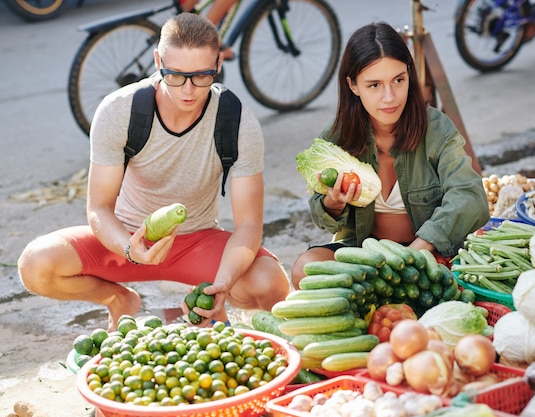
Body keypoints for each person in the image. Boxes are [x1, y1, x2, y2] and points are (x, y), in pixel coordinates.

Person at [17, 13, 290, 331]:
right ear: (158, 60)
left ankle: (201, 296)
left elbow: (248, 226)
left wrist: (221, 285)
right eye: (176, 75)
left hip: (196, 240)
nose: (188, 90)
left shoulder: (237, 120)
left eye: (201, 76)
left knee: (271, 285)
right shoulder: (119, 110)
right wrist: (130, 247)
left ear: (217, 63)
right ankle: (119, 300)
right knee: (36, 264)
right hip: (127, 237)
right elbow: (99, 209)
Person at [290, 22, 490, 289]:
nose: (389, 97)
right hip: (366, 257)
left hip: (429, 254)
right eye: (374, 85)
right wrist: (333, 203)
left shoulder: (437, 129)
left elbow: (469, 196)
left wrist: (416, 252)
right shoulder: (337, 138)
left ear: (409, 75)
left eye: (398, 80)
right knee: (305, 270)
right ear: (353, 85)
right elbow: (320, 213)